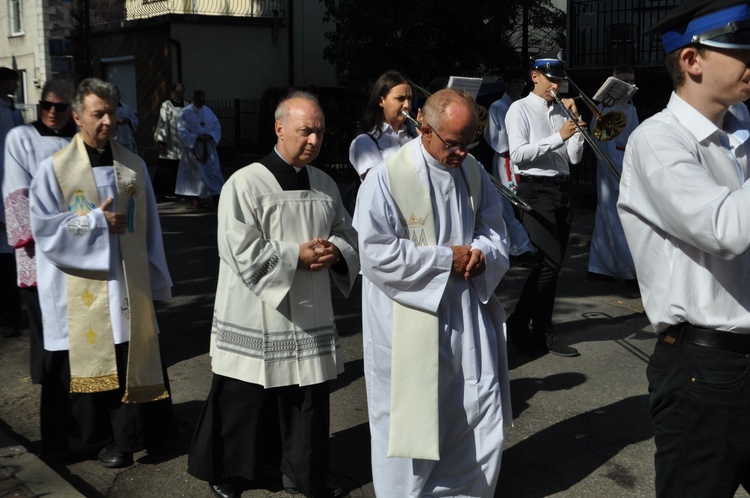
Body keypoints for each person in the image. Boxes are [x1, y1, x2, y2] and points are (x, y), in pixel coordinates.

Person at [187, 91, 359, 498]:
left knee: (307, 399)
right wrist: (292, 256)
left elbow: (347, 232)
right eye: (305, 131)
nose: (314, 141)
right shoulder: (245, 183)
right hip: (256, 311)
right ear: (279, 129)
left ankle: (303, 474)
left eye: (318, 132)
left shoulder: (324, 184)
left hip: (310, 313)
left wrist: (337, 251)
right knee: (246, 397)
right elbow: (237, 247)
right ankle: (231, 474)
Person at [617, 1, 750, 496]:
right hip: (704, 370)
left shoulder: (743, 132)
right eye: (742, 49)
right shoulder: (657, 141)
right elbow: (725, 228)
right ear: (692, 61)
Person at [354, 88, 512, 497]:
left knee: (476, 417)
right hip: (409, 323)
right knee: (411, 438)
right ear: (424, 127)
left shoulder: (473, 171)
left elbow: (494, 228)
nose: (462, 153)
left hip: (465, 319)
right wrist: (446, 261)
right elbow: (374, 254)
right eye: (454, 143)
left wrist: (482, 253)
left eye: (469, 142)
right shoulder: (387, 177)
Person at [28, 78, 174, 467]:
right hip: (80, 286)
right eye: (98, 114)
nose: (108, 121)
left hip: (126, 281)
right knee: (92, 355)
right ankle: (92, 441)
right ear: (77, 117)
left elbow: (150, 228)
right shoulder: (54, 170)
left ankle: (132, 437)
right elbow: (43, 228)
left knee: (129, 353)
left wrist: (156, 280)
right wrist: (94, 222)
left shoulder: (132, 165)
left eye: (112, 112)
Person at [504, 54, 585, 357]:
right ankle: (517, 323)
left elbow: (574, 158)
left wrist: (575, 129)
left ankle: (543, 332)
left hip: (562, 189)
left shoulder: (561, 110)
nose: (556, 85)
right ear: (534, 76)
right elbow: (519, 155)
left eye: (559, 79)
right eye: (551, 78)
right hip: (535, 190)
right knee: (549, 263)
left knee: (554, 266)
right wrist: (558, 136)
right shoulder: (519, 109)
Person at [3, 79, 76, 381]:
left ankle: (77, 376)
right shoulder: (21, 137)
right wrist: (43, 233)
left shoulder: (80, 140)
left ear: (73, 109)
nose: (52, 112)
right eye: (46, 105)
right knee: (44, 318)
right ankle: (48, 378)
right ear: (39, 104)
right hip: (39, 248)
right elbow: (17, 190)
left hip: (78, 243)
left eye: (60, 107)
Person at [587, 64, 639, 283]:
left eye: (631, 81)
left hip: (628, 163)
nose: (629, 85)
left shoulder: (631, 108)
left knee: (611, 216)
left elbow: (635, 139)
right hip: (613, 166)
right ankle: (627, 270)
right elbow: (603, 145)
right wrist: (618, 172)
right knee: (612, 216)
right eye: (624, 81)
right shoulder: (604, 110)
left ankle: (600, 266)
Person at [483, 67, 535, 258]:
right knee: (509, 202)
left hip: (525, 158)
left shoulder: (524, 104)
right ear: (508, 83)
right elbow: (494, 139)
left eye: (523, 82)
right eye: (516, 82)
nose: (520, 86)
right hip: (506, 160)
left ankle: (524, 244)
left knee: (524, 201)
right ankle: (519, 247)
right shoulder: (497, 107)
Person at [349, 70, 417, 180]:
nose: (407, 105)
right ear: (381, 101)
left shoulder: (414, 134)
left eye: (409, 98)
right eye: (400, 99)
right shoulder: (364, 142)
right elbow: (378, 182)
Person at [0, 67, 24, 339]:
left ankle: (10, 317)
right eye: (12, 80)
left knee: (10, 260)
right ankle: (7, 317)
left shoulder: (13, 110)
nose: (15, 86)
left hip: (12, 192)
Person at [176, 89, 223, 208]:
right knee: (195, 175)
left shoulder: (208, 111)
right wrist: (195, 138)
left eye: (204, 100)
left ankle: (216, 195)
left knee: (213, 172)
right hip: (194, 149)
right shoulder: (185, 112)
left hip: (208, 148)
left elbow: (217, 127)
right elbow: (181, 130)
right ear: (194, 99)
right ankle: (195, 197)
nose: (202, 103)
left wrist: (210, 136)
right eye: (200, 100)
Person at [152, 83, 185, 199]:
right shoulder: (167, 105)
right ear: (172, 92)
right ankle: (163, 192)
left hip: (183, 143)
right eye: (177, 93)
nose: (180, 95)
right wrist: (161, 141)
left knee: (180, 168)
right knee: (167, 167)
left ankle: (179, 192)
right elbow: (163, 122)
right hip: (170, 142)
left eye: (181, 93)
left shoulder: (187, 105)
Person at [113, 86, 139, 154]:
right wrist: (116, 122)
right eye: (115, 94)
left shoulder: (125, 107)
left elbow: (135, 120)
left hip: (127, 141)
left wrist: (128, 120)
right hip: (115, 141)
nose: (117, 96)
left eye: (118, 93)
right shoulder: (108, 108)